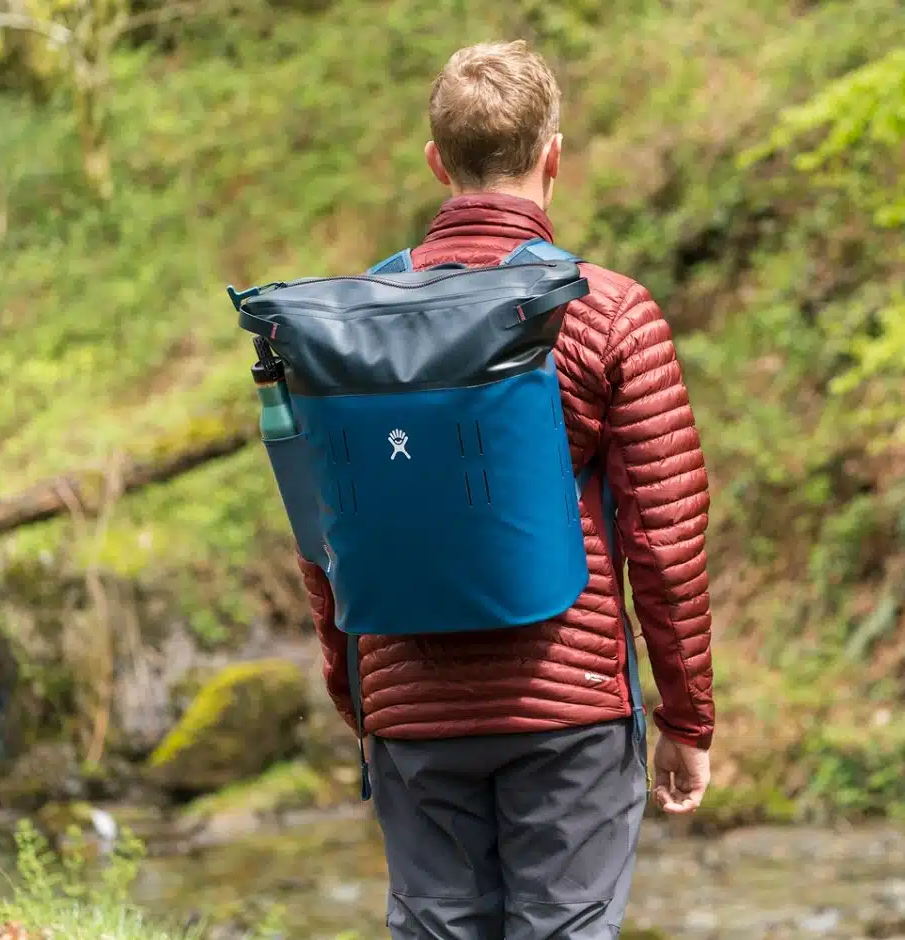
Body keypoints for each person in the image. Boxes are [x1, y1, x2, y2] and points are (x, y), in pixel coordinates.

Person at [296, 39, 715, 940]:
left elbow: (325, 532)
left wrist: (358, 697)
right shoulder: (608, 312)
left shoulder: (350, 327)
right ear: (553, 154)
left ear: (437, 163)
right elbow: (666, 540)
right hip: (571, 707)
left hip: (412, 709)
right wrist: (687, 716)